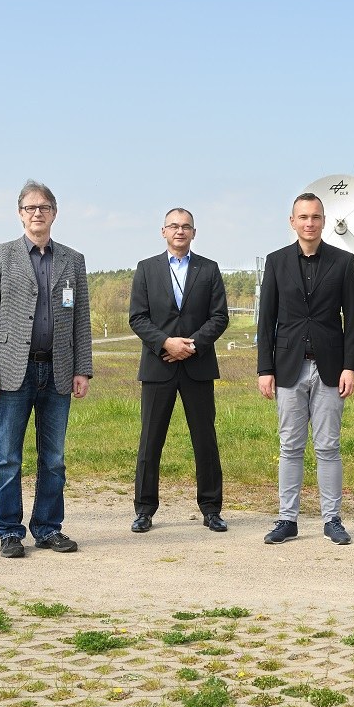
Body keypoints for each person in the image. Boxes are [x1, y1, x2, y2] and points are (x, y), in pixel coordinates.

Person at [0, 180, 92, 559]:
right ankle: (9, 531)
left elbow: (82, 321)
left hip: (57, 371)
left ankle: (47, 528)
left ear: (54, 213)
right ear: (19, 213)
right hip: (12, 371)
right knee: (7, 456)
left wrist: (82, 368)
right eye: (29, 208)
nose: (36, 213)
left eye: (43, 207)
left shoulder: (73, 260)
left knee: (53, 459)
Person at [257, 192, 354, 545]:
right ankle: (287, 519)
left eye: (315, 217)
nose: (309, 223)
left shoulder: (343, 262)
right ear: (292, 222)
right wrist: (264, 369)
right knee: (290, 446)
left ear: (323, 221)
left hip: (330, 368)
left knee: (329, 447)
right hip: (288, 368)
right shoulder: (276, 262)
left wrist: (351, 367)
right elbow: (266, 320)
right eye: (303, 217)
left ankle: (332, 519)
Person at [128, 208, 230, 534]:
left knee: (205, 441)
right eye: (174, 226)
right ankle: (144, 510)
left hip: (197, 367)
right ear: (163, 231)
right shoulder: (146, 270)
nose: (180, 231)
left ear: (194, 233)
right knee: (150, 442)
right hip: (158, 367)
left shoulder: (209, 269)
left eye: (186, 226)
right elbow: (138, 317)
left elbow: (219, 317)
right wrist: (166, 343)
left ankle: (212, 509)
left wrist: (192, 345)